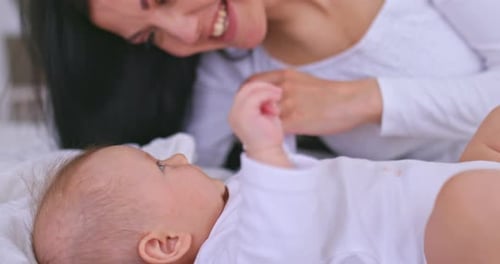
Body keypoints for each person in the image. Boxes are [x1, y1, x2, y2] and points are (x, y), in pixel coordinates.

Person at [32, 82, 500, 263]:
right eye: (159, 167)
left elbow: (292, 189)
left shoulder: (236, 198)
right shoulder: (232, 254)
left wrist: (272, 149)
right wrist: (262, 147)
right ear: (165, 243)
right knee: (469, 205)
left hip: (439, 190)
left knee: (492, 128)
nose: (177, 159)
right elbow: (284, 238)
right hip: (430, 245)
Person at [23, 0, 500, 169]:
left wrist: (362, 100)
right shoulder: (234, 72)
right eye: (150, 35)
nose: (184, 35)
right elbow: (174, 172)